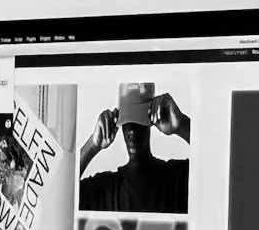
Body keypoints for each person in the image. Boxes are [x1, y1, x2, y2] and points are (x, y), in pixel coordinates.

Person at [79, 85, 191, 213]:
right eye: (127, 122)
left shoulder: (178, 181)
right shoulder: (104, 191)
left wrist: (181, 124)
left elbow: (216, 167)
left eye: (138, 121)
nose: (132, 131)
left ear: (152, 121)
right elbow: (59, 195)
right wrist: (92, 144)